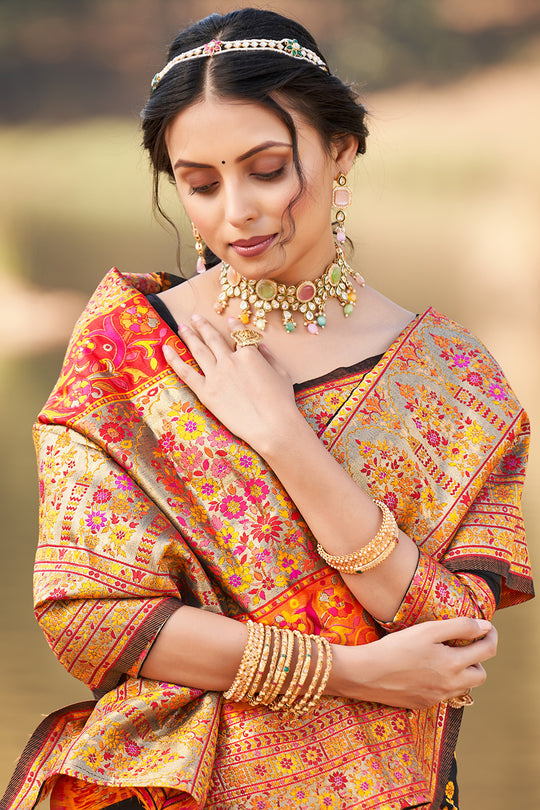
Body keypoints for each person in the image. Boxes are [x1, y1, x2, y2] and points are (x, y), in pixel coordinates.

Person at [1, 8, 533, 810]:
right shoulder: (135, 348)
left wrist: (287, 441)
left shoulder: (451, 379)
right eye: (201, 183)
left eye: (268, 169)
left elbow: (449, 641)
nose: (235, 212)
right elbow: (88, 617)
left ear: (341, 149)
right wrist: (348, 672)